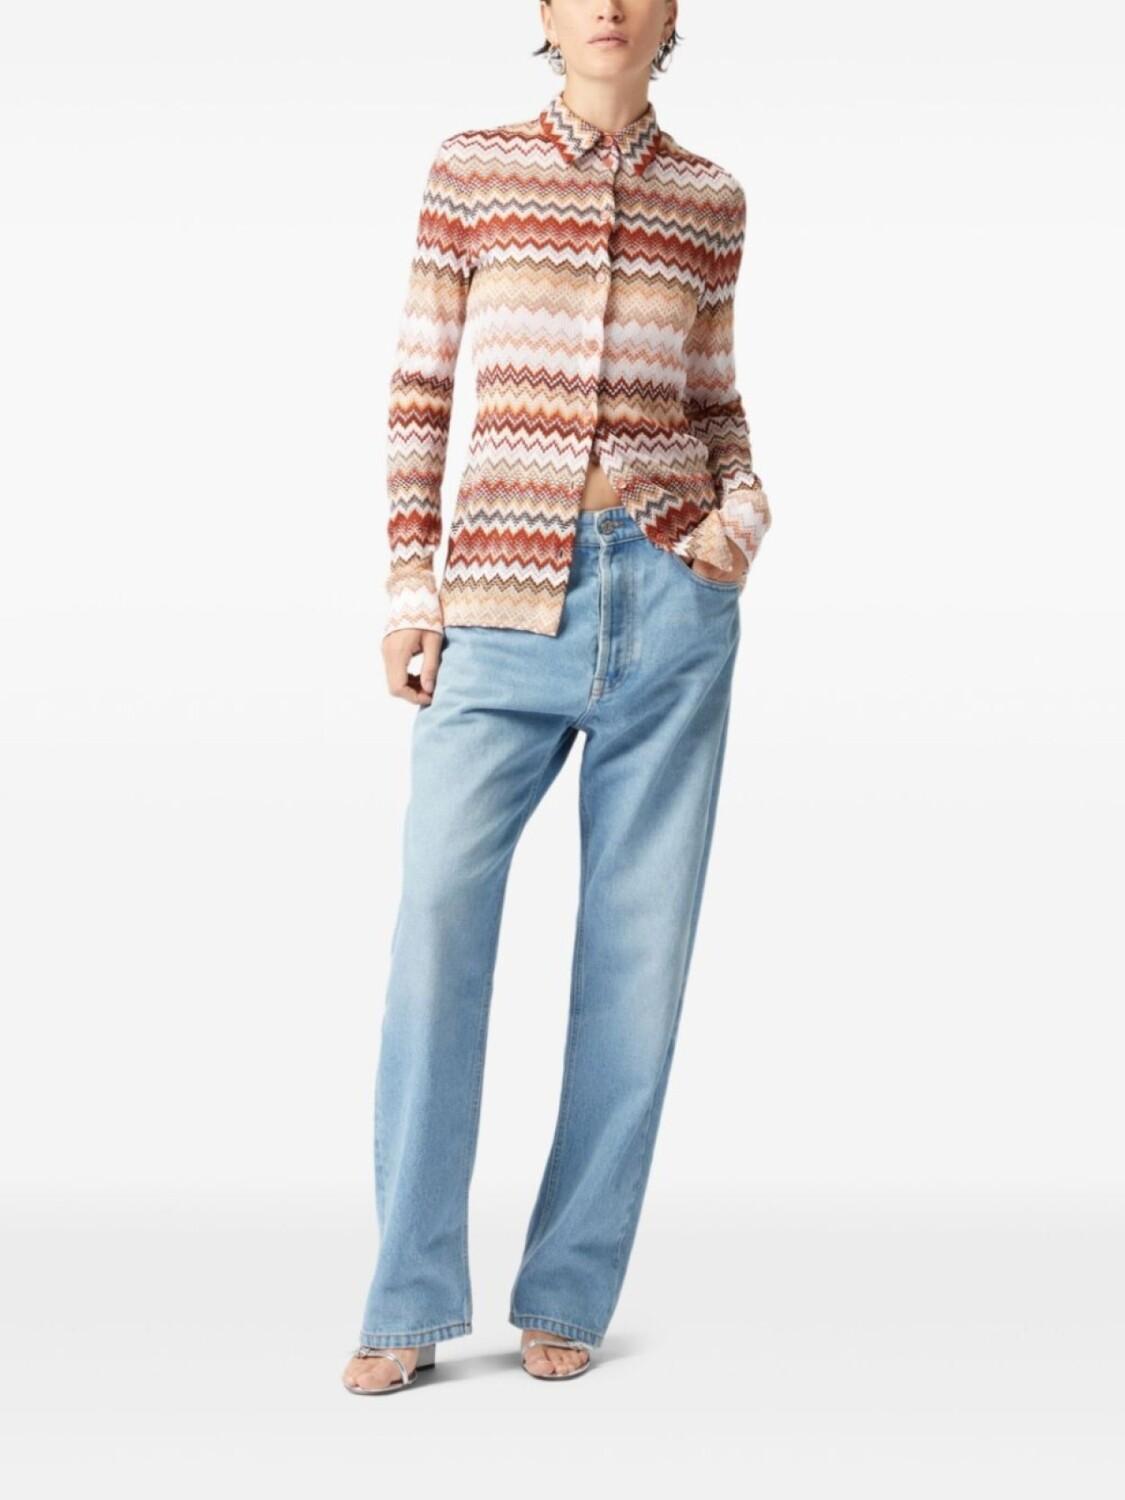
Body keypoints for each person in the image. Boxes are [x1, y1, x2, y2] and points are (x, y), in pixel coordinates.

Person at [343, 0, 772, 1394]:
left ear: (670, 14)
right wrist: (411, 591)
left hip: (669, 603)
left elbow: (716, 403)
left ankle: (570, 1288)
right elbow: (420, 391)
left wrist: (737, 526)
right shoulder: (472, 169)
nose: (608, 6)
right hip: (497, 602)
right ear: (543, 11)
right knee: (436, 935)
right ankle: (406, 1298)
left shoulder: (711, 199)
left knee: (635, 967)